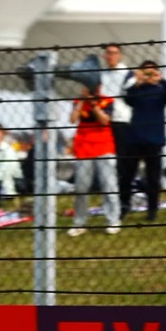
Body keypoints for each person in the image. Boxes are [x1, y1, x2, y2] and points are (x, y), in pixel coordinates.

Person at [121, 60, 166, 221]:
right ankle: (124, 206)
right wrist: (137, 82)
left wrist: (160, 79)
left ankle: (152, 210)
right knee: (127, 176)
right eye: (145, 72)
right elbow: (127, 98)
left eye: (151, 72)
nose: (148, 75)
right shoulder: (137, 90)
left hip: (154, 140)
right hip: (135, 139)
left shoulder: (161, 91)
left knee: (153, 177)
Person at [68, 83, 120, 236]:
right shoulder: (78, 102)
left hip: (104, 147)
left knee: (109, 184)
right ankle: (79, 222)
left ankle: (113, 220)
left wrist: (93, 105)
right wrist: (83, 101)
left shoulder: (107, 101)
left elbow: (104, 120)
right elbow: (72, 119)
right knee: (81, 188)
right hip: (83, 148)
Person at [99, 44, 134, 159]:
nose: (111, 56)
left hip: (120, 119)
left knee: (121, 154)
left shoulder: (127, 74)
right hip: (102, 119)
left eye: (114, 53)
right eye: (108, 53)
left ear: (120, 55)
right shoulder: (101, 74)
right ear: (104, 55)